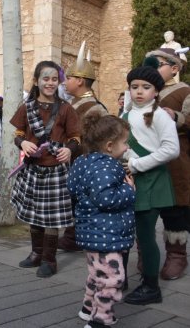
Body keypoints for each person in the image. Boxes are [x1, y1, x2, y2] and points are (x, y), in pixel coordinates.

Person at [10, 60, 81, 278]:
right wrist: (22, 143)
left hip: (56, 170)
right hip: (33, 169)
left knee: (52, 218)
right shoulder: (26, 107)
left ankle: (50, 260)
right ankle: (36, 254)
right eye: (45, 79)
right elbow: (18, 133)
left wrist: (69, 150)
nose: (50, 83)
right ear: (37, 81)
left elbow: (76, 137)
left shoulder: (67, 109)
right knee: (34, 214)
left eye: (54, 79)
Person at [67, 112, 135, 328]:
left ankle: (88, 309)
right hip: (106, 234)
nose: (126, 148)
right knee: (111, 279)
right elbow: (106, 199)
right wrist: (128, 188)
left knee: (97, 274)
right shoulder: (106, 166)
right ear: (108, 145)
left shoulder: (83, 161)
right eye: (125, 143)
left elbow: (73, 188)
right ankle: (100, 319)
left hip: (92, 233)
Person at [121, 66, 179, 305]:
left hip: (152, 180)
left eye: (146, 87)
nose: (139, 92)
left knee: (145, 236)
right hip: (128, 180)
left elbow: (171, 150)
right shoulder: (125, 114)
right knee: (124, 233)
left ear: (156, 91)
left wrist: (137, 165)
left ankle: (151, 287)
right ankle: (119, 277)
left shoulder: (160, 116)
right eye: (134, 87)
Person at [143, 49, 189, 280]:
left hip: (174, 161)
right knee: (146, 210)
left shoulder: (184, 91)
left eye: (159, 63)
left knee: (175, 211)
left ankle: (177, 256)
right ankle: (146, 255)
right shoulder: (143, 90)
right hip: (146, 159)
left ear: (174, 68)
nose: (153, 67)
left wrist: (177, 116)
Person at [59, 41, 108, 252]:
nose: (64, 83)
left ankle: (82, 237)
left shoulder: (95, 108)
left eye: (68, 79)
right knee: (73, 201)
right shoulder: (72, 104)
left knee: (84, 201)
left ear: (79, 81)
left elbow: (99, 141)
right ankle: (73, 236)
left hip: (85, 164)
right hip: (71, 162)